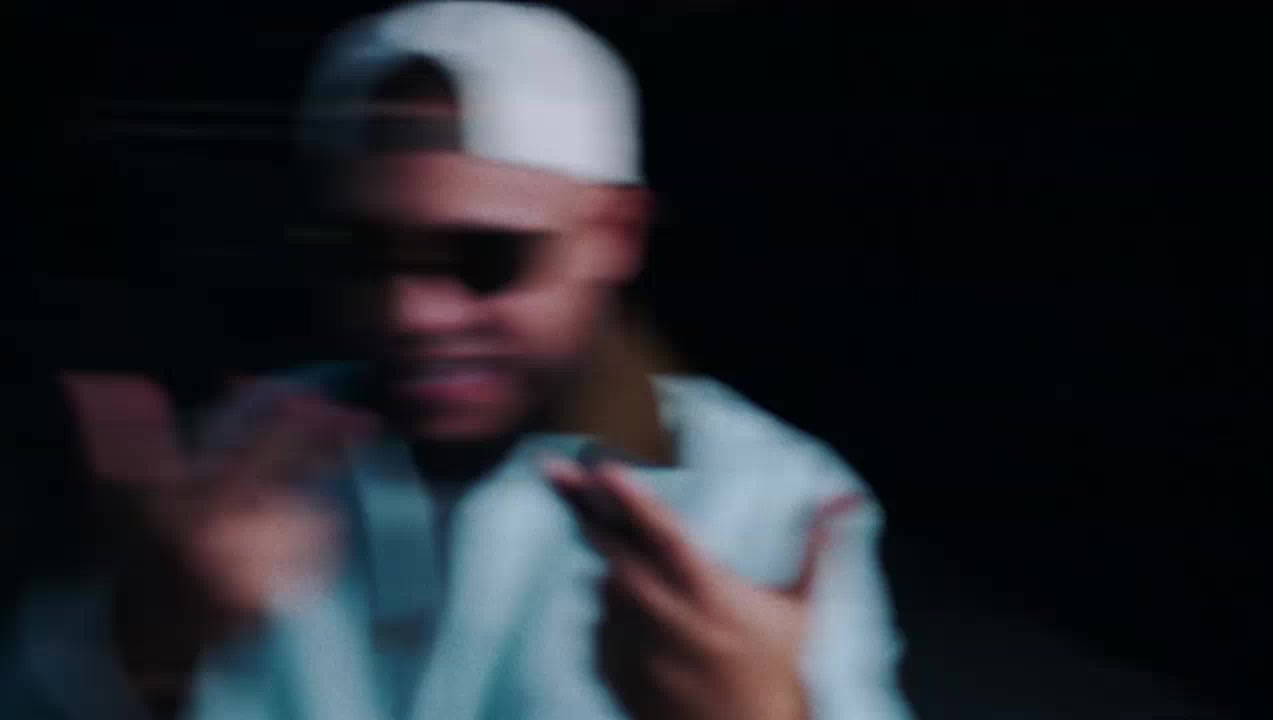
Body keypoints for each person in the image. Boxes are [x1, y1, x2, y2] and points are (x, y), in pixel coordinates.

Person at [4, 3, 913, 719]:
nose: (410, 313)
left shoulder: (773, 500)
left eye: (487, 258)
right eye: (362, 254)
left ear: (618, 234)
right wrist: (139, 646)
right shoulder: (226, 467)